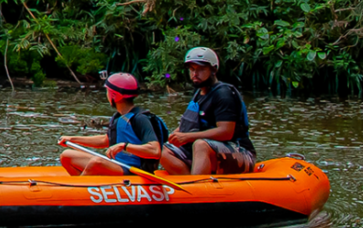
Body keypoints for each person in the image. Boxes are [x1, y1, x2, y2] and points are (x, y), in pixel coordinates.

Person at [160, 47, 257, 175]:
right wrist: (173, 137)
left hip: (240, 152)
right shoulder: (199, 93)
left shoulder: (223, 94)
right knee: (161, 150)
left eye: (201, 69)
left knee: (200, 145)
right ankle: (188, 182)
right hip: (206, 150)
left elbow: (226, 132)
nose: (195, 74)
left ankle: (197, 187)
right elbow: (188, 125)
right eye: (192, 69)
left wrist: (187, 137)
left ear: (213, 70)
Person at [58, 72, 167, 175]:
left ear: (114, 96)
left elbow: (155, 150)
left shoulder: (140, 119)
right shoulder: (118, 117)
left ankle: (80, 190)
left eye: (108, 92)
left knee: (97, 162)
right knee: (66, 156)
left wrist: (124, 146)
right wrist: (72, 139)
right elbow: (106, 140)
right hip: (117, 164)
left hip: (135, 170)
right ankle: (88, 187)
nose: (107, 95)